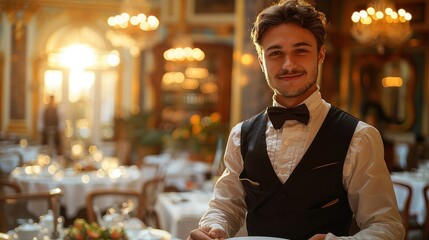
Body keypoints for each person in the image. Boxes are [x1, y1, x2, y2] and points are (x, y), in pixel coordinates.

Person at [188, 0, 405, 239]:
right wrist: (214, 228)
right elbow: (225, 206)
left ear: (320, 54)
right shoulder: (240, 135)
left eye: (301, 50)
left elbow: (387, 226)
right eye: (275, 53)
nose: (288, 64)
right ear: (261, 62)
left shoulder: (359, 136)